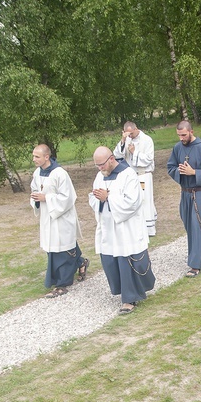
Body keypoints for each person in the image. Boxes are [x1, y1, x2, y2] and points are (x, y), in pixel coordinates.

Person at [89, 146, 156, 314]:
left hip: (126, 227)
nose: (100, 168)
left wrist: (109, 198)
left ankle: (129, 299)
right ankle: (124, 292)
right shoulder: (99, 176)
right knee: (111, 260)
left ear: (111, 159)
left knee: (128, 260)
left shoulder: (128, 175)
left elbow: (133, 201)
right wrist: (99, 198)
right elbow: (94, 196)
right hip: (108, 227)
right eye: (97, 165)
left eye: (102, 165)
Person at [30, 144, 89, 298]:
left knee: (63, 249)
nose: (34, 159)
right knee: (56, 246)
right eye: (33, 156)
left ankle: (62, 284)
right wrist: (36, 198)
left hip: (61, 216)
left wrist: (46, 198)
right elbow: (35, 188)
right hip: (47, 216)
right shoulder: (37, 173)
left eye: (37, 156)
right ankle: (80, 262)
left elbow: (68, 197)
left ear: (46, 157)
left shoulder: (59, 174)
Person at [167, 120, 201, 277]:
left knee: (197, 227)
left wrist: (194, 173)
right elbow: (170, 167)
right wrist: (180, 172)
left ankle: (195, 265)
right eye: (179, 135)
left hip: (200, 193)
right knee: (191, 225)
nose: (181, 138)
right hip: (185, 193)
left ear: (191, 131)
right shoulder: (177, 148)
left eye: (183, 135)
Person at [113, 121, 157, 236]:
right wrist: (123, 141)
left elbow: (148, 159)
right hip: (132, 176)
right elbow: (117, 155)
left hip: (144, 174)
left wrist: (134, 152)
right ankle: (136, 226)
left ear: (136, 128)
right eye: (128, 134)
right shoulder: (127, 140)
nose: (130, 136)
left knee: (145, 200)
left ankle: (148, 229)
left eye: (131, 133)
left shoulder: (147, 140)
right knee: (133, 200)